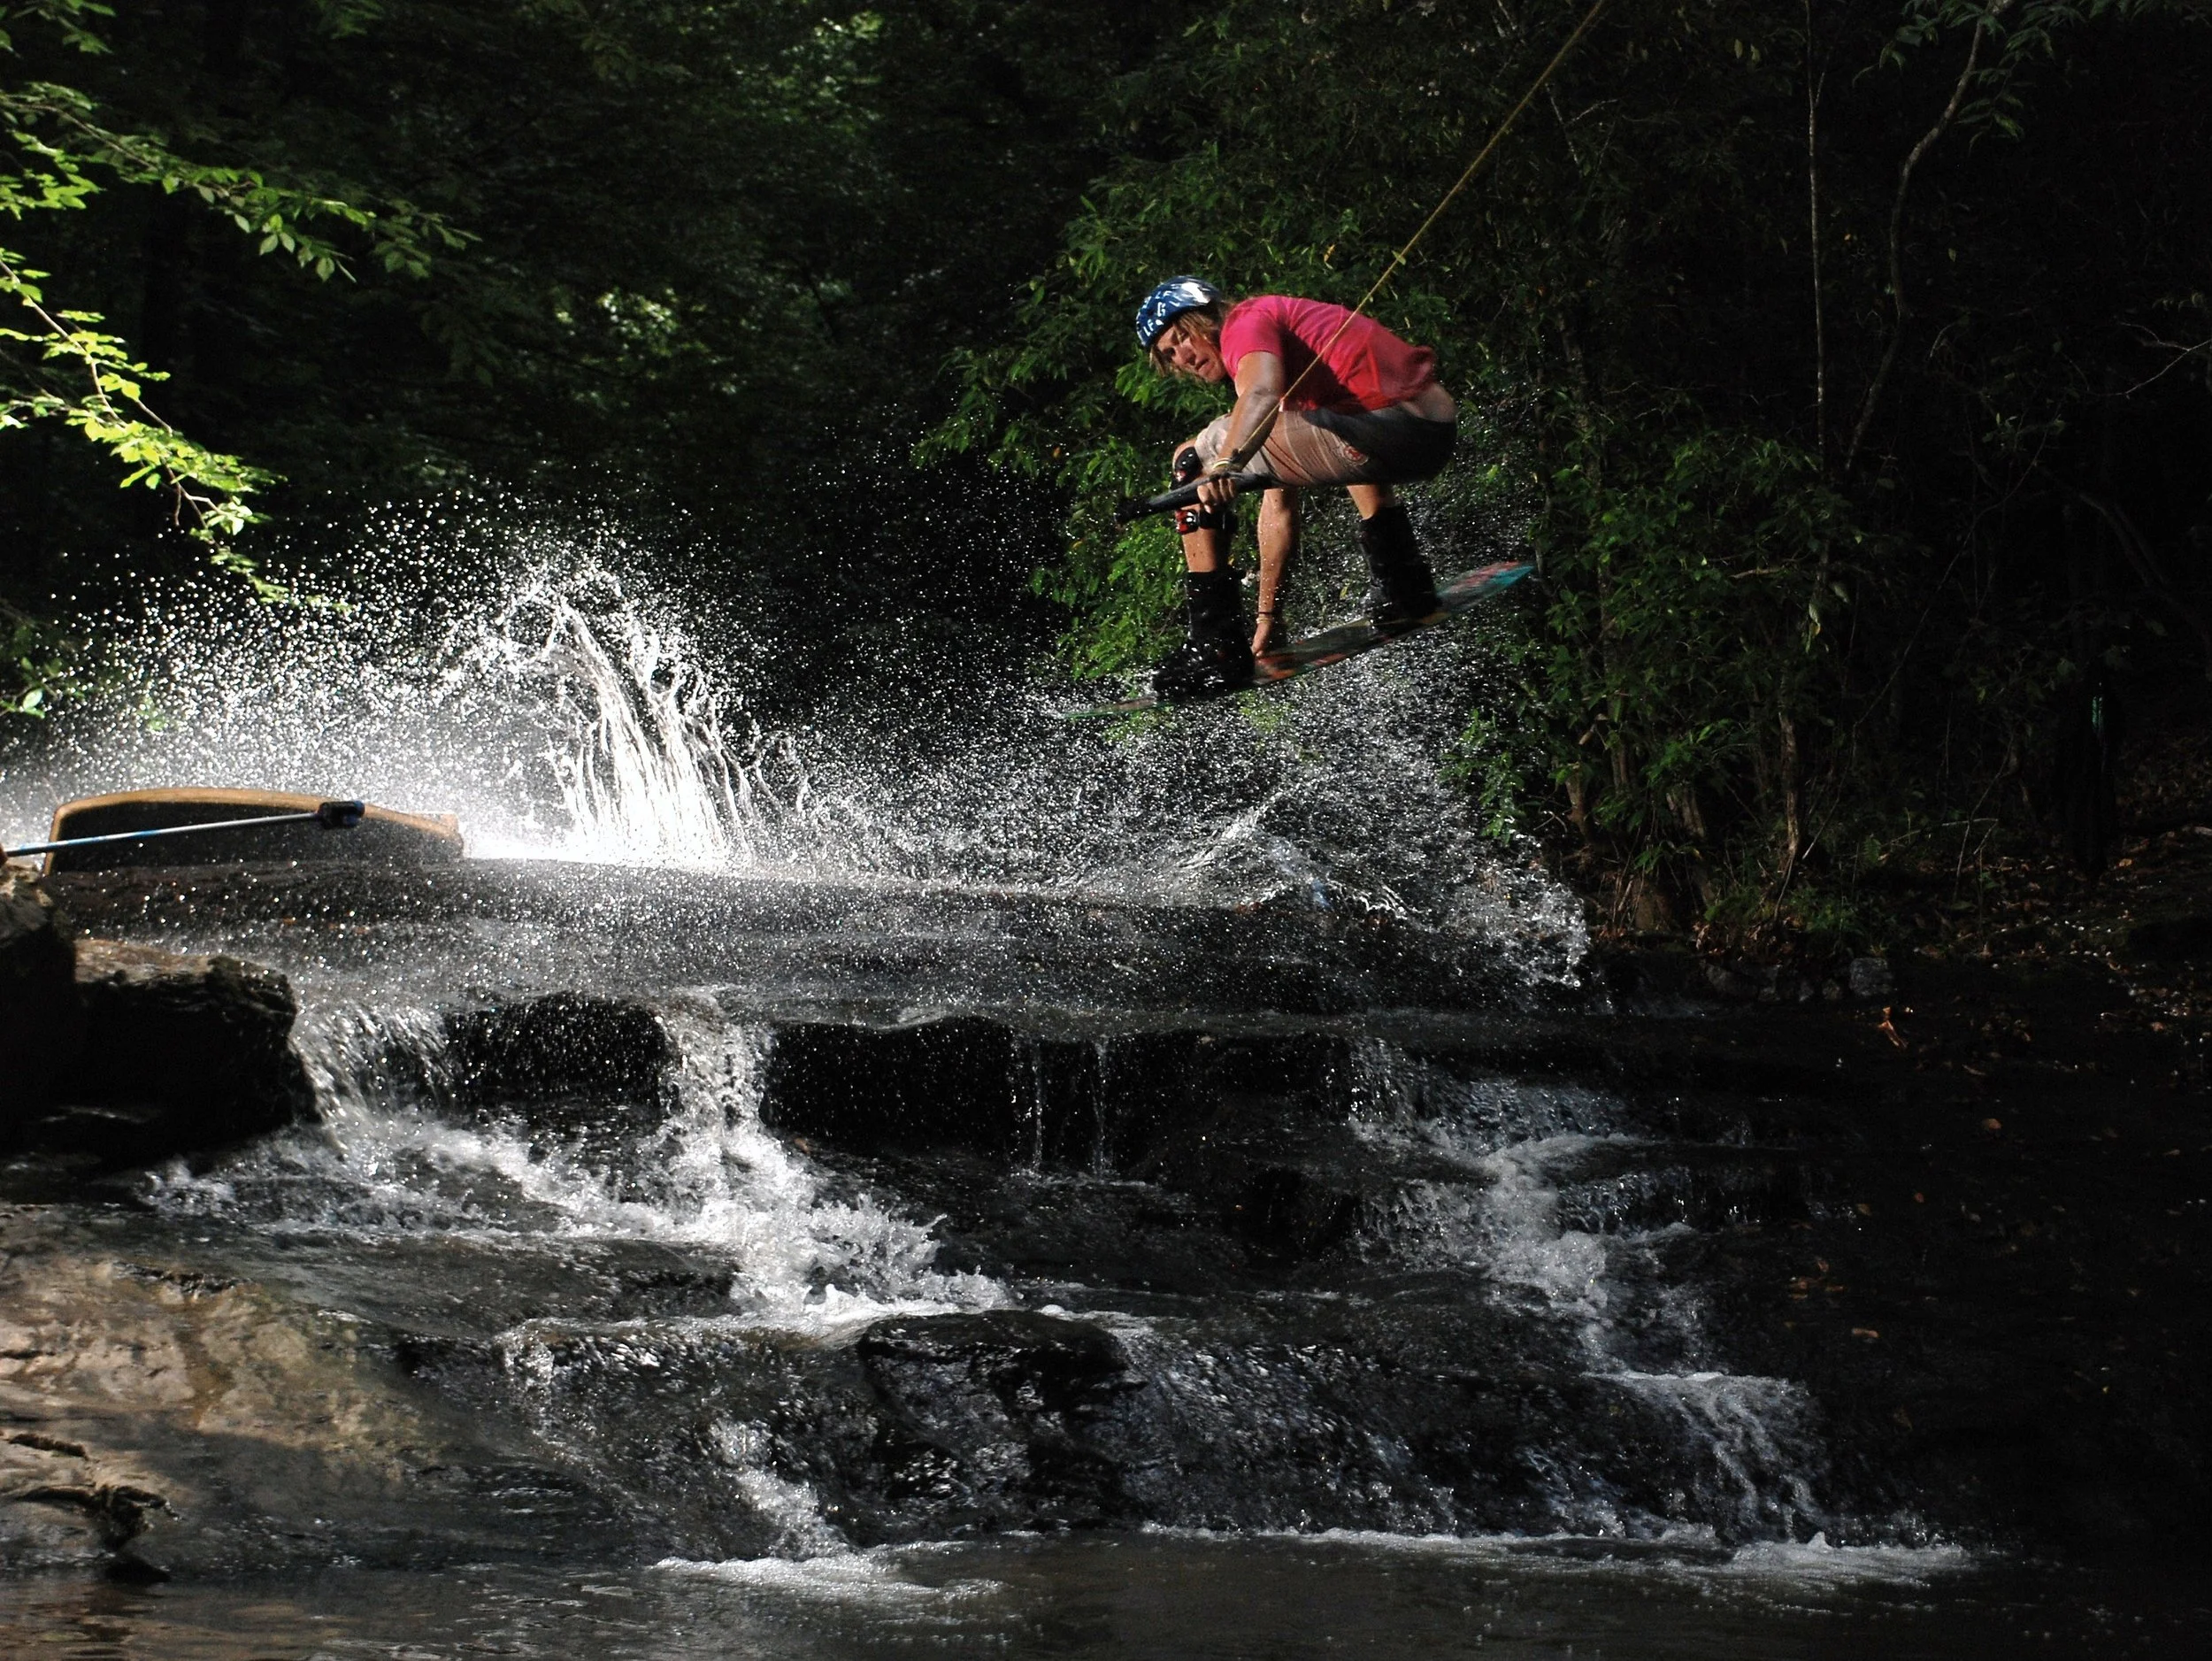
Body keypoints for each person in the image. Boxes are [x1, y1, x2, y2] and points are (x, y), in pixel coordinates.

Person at [1133, 276, 1459, 697]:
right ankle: (1405, 585)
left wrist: (1225, 463)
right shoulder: (1286, 359)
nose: (1184, 357)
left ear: (1207, 317)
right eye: (1170, 354)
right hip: (1427, 433)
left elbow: (1260, 393)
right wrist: (1269, 615)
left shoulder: (1245, 321)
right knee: (1326, 423)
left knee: (1193, 457)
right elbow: (1279, 505)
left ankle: (1213, 646)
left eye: (1182, 338)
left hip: (1396, 427)